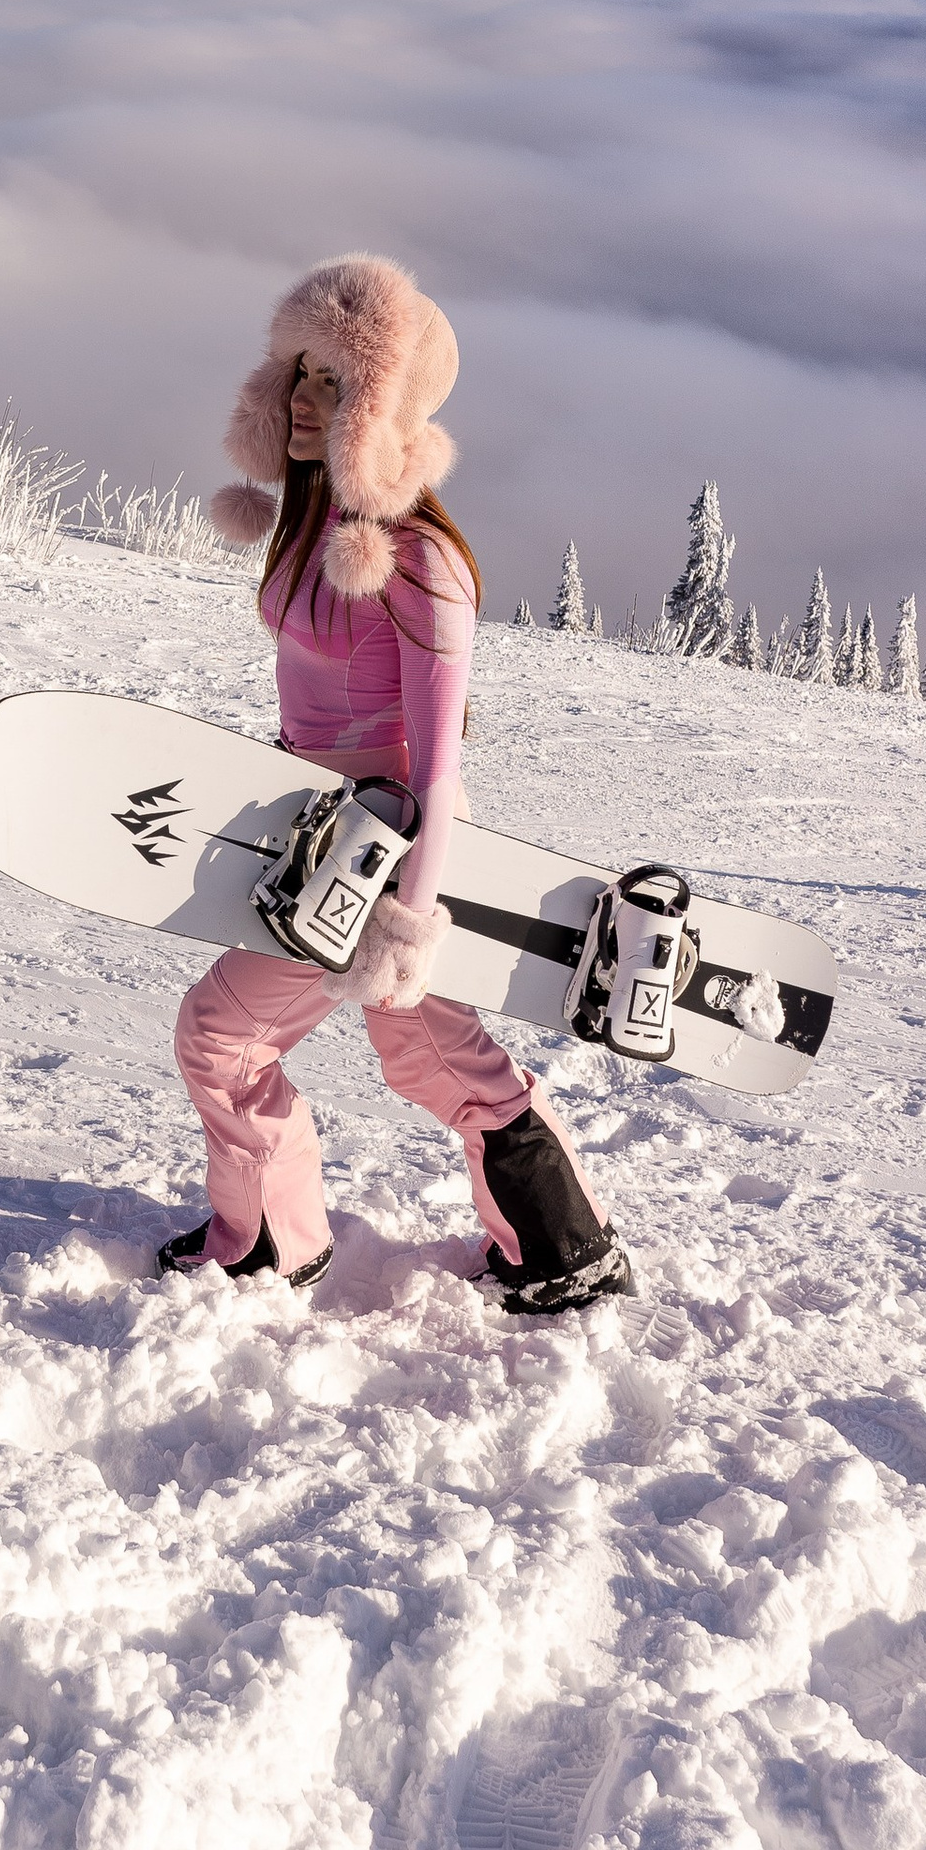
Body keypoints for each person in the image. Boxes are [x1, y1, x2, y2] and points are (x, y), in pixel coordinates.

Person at [160, 255, 633, 1315]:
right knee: (430, 1055)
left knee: (221, 1035)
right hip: (318, 841)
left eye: (338, 381)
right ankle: (563, 1250)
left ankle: (267, 1244)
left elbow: (440, 756)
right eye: (300, 371)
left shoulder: (417, 559)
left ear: (382, 409)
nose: (304, 398)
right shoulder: (308, 537)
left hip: (381, 857)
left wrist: (407, 920)